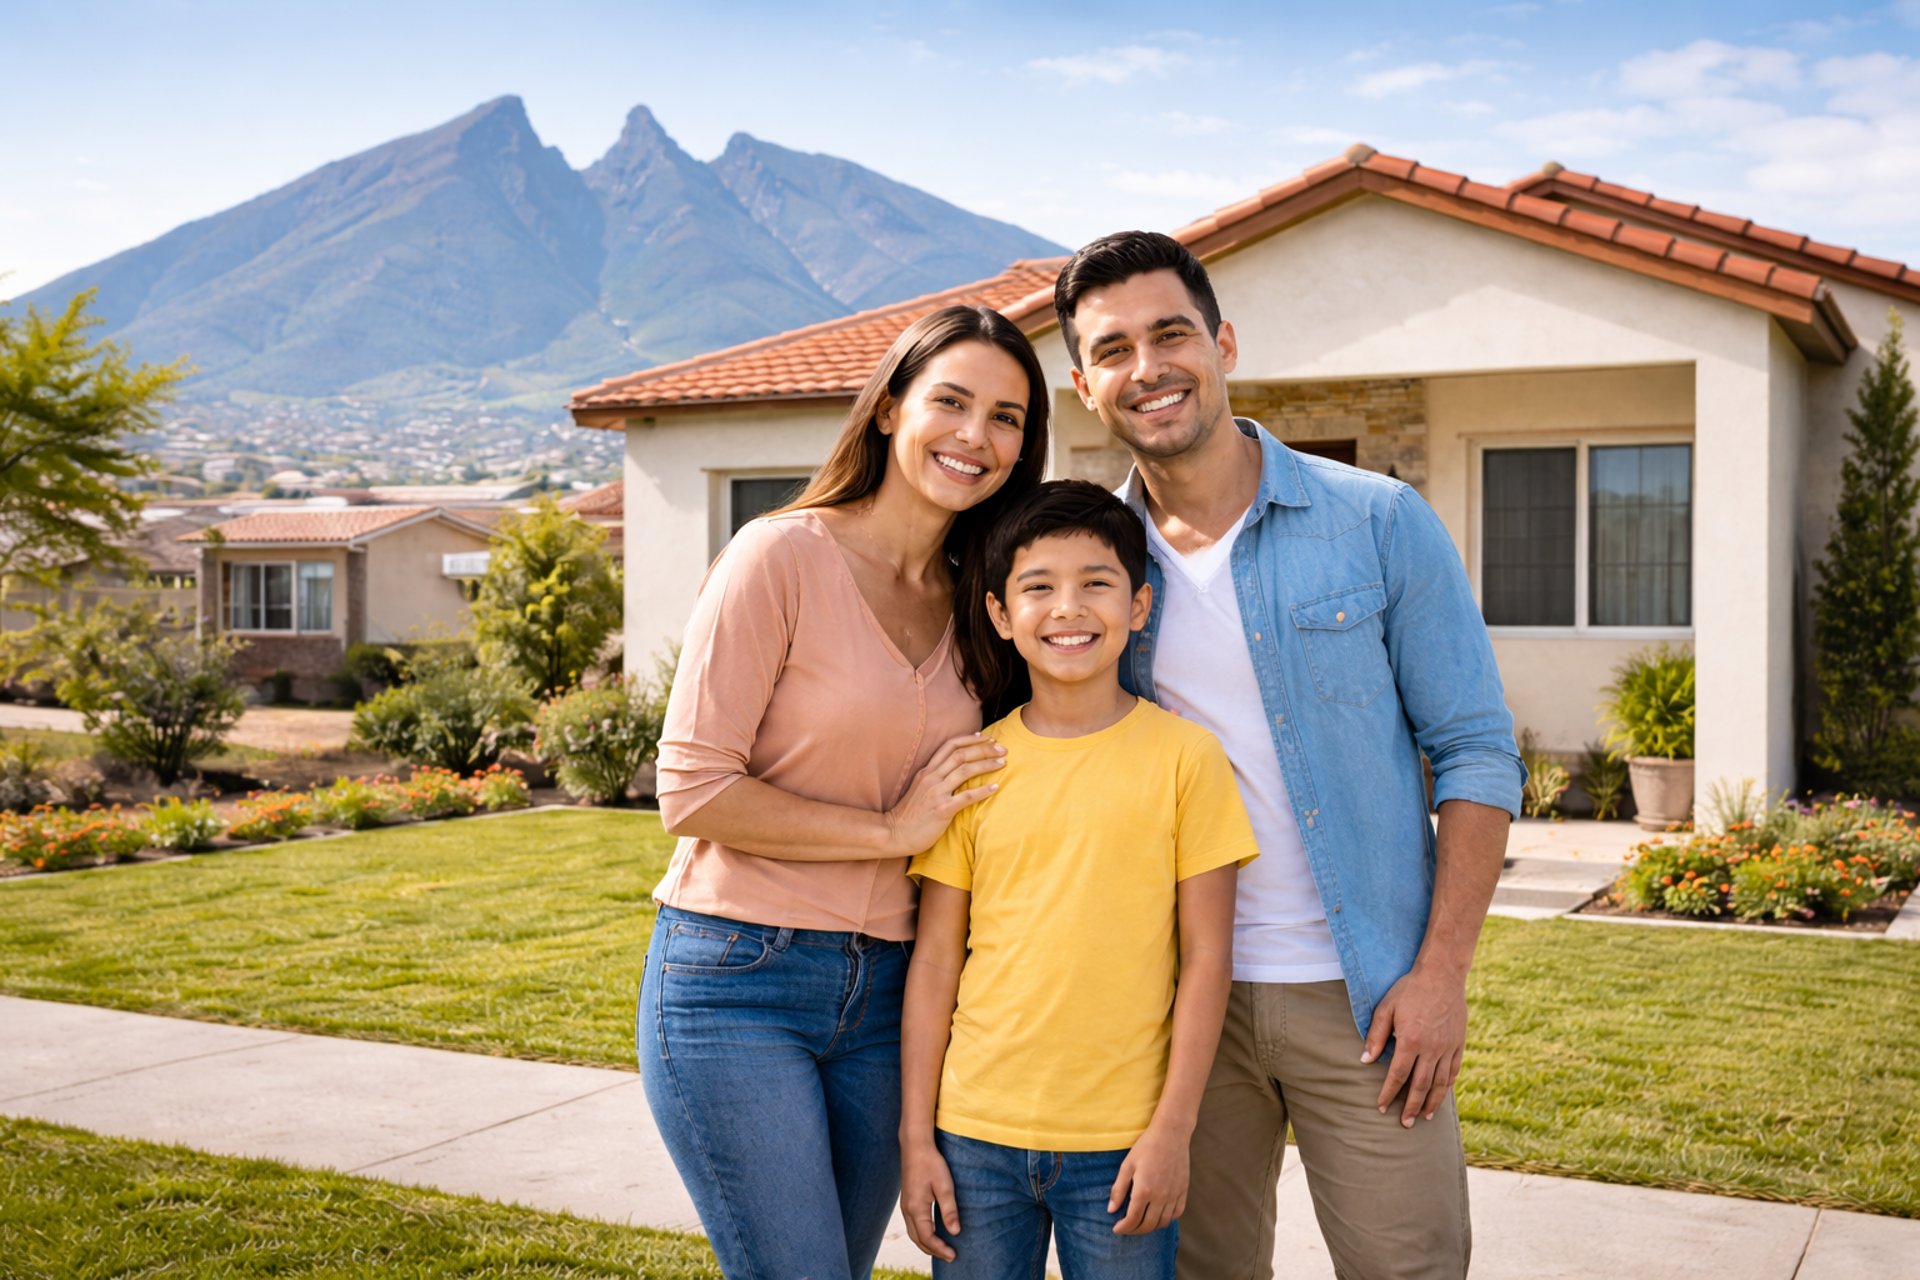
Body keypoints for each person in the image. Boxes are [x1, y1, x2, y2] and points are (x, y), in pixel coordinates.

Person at [1051, 231, 1524, 1280]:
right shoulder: (1091, 565)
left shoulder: (1375, 520)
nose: (1150, 367)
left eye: (1172, 333)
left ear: (1222, 341)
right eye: (1115, 349)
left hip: (1364, 997)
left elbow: (1478, 751)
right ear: (1085, 384)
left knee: (1410, 1265)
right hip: (1175, 1004)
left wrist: (1442, 971)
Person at [640, 304, 1051, 1280]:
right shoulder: (779, 556)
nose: (974, 435)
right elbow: (693, 792)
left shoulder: (984, 602)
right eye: (949, 401)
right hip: (741, 978)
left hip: (894, 1002)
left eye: (1006, 417)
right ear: (887, 409)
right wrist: (891, 830)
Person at [898, 480, 1258, 1279]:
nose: (1068, 609)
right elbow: (935, 963)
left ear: (1138, 605)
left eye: (1096, 584)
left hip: (1122, 1144)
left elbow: (1206, 958)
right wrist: (916, 1137)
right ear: (1000, 615)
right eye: (1039, 587)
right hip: (973, 1138)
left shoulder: (1185, 759)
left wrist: (1172, 1130)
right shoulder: (974, 765)